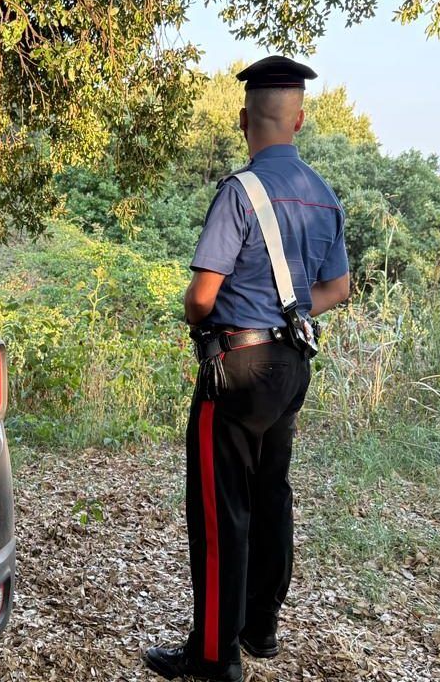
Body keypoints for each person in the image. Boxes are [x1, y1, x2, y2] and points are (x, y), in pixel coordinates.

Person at [143, 55, 351, 681]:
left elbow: (201, 298)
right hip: (292, 364)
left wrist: (207, 315)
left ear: (243, 119)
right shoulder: (324, 195)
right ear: (300, 120)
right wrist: (289, 310)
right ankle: (261, 627)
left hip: (236, 368)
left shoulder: (239, 192)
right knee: (271, 493)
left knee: (219, 509)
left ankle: (214, 654)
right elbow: (338, 289)